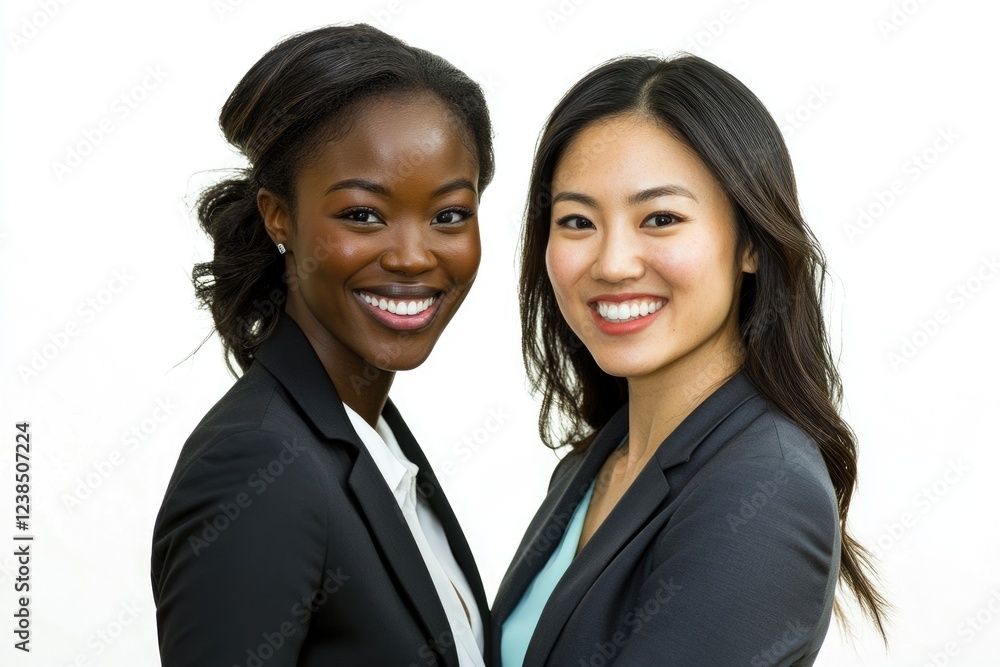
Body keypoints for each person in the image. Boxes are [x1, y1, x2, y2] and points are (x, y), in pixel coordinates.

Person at [493, 54, 889, 666]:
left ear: (751, 242)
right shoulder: (594, 464)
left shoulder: (765, 487)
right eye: (577, 221)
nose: (613, 263)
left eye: (661, 218)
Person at [151, 24, 495, 667]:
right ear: (278, 216)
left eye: (449, 215)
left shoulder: (372, 438)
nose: (413, 256)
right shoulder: (255, 466)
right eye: (362, 214)